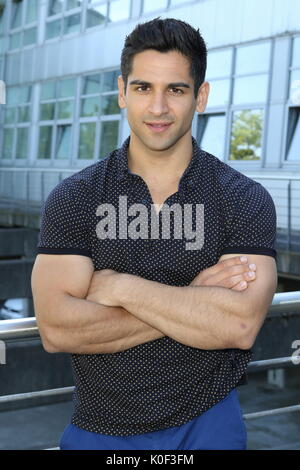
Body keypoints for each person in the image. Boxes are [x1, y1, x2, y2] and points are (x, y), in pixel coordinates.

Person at [31, 17, 277, 450]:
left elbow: (238, 324)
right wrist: (193, 296)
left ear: (200, 96)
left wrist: (118, 286)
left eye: (176, 90)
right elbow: (57, 329)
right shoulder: (75, 198)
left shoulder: (243, 198)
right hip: (98, 428)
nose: (158, 107)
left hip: (209, 422)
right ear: (123, 91)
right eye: (144, 88)